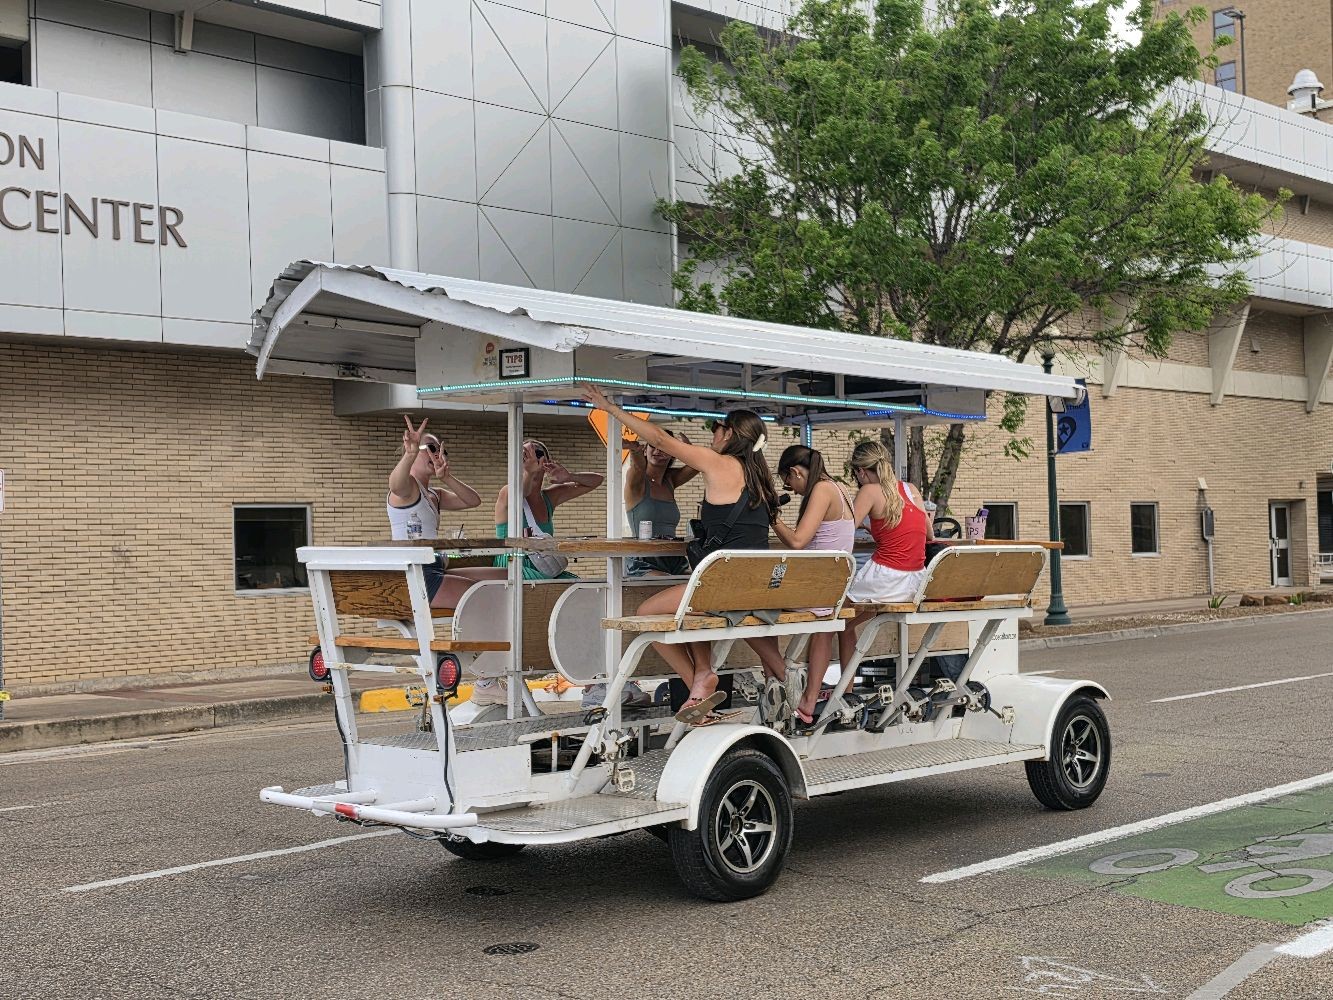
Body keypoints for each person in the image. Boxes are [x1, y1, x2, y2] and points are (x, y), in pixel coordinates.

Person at [582, 385, 782, 724]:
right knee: (690, 605)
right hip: (756, 586)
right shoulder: (759, 475)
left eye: (716, 430)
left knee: (647, 614)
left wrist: (612, 409)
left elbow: (659, 439)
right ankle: (702, 682)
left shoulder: (720, 463)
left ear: (729, 433)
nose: (712, 437)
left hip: (723, 585)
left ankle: (700, 678)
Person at [804, 438, 930, 727]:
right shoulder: (911, 490)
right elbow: (929, 532)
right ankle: (845, 690)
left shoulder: (869, 491)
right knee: (847, 622)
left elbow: (845, 530)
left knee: (831, 617)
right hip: (915, 580)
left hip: (884, 578)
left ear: (860, 472)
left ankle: (828, 693)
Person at [768, 445, 856, 726]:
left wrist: (772, 518)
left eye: (789, 483)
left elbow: (797, 541)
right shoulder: (840, 488)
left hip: (815, 587)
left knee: (748, 604)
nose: (792, 490)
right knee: (822, 631)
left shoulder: (821, 490)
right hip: (832, 589)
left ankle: (779, 676)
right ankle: (808, 701)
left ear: (795, 471)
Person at [388, 416, 488, 606]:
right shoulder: (409, 488)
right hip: (416, 573)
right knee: (482, 596)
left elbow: (473, 501)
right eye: (431, 448)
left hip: (434, 565)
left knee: (504, 578)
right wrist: (409, 454)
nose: (437, 454)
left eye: (441, 450)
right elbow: (395, 486)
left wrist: (447, 477)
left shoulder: (435, 494)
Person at [492, 439, 604, 579]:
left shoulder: (549, 497)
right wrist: (529, 472)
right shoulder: (507, 492)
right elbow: (521, 493)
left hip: (544, 566)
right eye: (525, 455)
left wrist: (569, 476)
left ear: (546, 462)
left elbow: (598, 480)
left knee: (583, 588)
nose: (532, 459)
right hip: (513, 566)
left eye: (537, 454)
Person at [624, 430, 697, 578]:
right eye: (653, 446)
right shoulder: (638, 481)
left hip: (674, 559)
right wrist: (635, 450)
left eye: (665, 448)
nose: (658, 451)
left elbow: (698, 465)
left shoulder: (670, 480)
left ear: (672, 454)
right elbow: (638, 467)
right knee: (670, 585)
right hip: (644, 561)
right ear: (646, 450)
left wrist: (687, 449)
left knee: (701, 583)